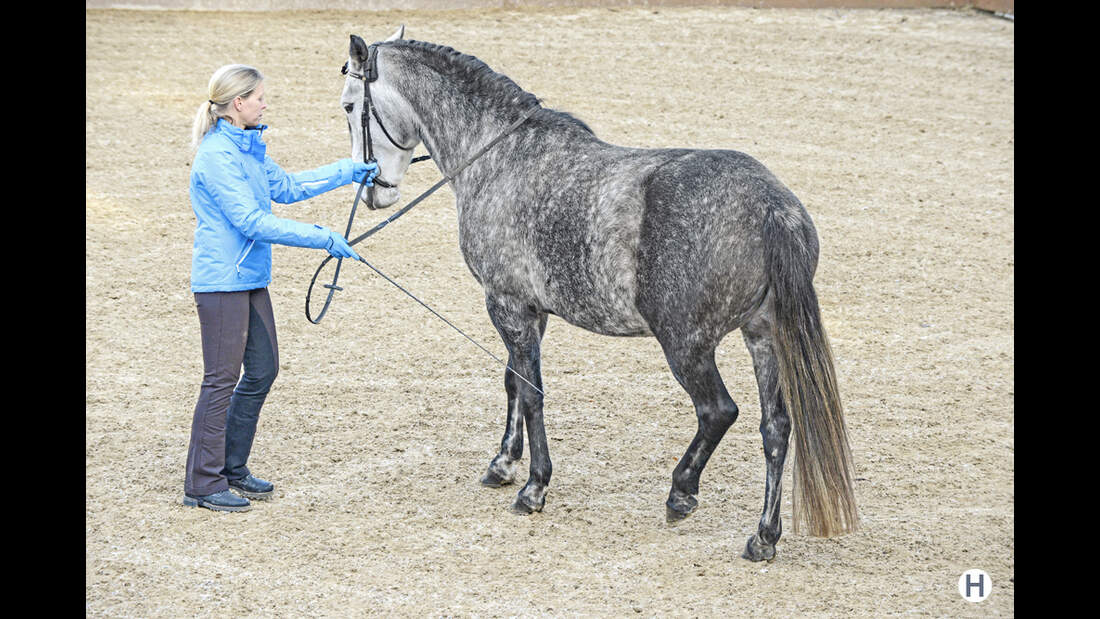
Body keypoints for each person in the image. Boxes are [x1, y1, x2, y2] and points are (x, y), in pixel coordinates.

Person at [183, 63, 376, 512]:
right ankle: (202, 482)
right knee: (220, 381)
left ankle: (232, 468)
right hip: (221, 284)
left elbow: (286, 187)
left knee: (263, 369)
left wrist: (347, 171)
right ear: (238, 103)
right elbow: (250, 220)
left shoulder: (248, 149)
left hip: (250, 278)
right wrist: (322, 237)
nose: (265, 104)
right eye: (260, 98)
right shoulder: (217, 156)